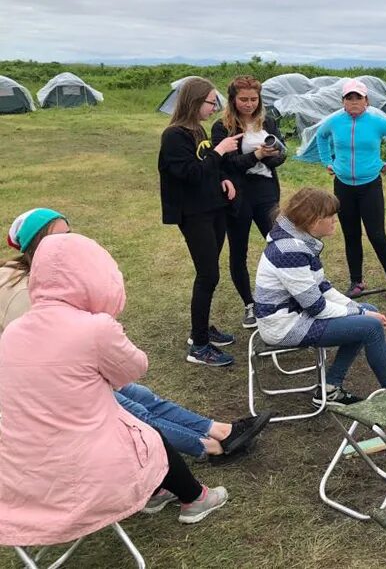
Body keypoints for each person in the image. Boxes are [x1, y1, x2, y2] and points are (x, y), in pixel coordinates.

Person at [0, 233, 229, 547]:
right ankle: (196, 497)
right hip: (83, 476)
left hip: (21, 480)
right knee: (147, 434)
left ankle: (166, 483)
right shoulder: (94, 328)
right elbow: (132, 369)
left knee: (135, 409)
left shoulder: (13, 331)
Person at [2, 208, 272, 461]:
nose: (69, 243)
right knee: (132, 410)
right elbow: (49, 353)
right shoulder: (25, 294)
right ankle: (210, 448)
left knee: (141, 395)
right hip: (51, 389)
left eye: (70, 235)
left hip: (74, 369)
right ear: (36, 247)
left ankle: (220, 430)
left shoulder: (46, 277)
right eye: (58, 238)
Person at [254, 187, 386, 406]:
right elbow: (317, 307)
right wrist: (360, 313)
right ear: (313, 220)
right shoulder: (290, 250)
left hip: (297, 315)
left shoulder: (300, 240)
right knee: (369, 326)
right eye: (331, 216)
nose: (335, 220)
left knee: (368, 312)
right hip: (284, 326)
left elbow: (323, 288)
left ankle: (330, 388)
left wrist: (358, 308)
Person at [158, 76, 241, 367]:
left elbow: (207, 167)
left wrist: (223, 178)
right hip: (194, 214)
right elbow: (190, 173)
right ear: (194, 101)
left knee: (210, 272)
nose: (214, 108)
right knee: (208, 275)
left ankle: (201, 331)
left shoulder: (197, 129)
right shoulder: (174, 136)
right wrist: (220, 151)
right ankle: (200, 346)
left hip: (214, 208)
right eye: (211, 102)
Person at [315, 79, 386, 300]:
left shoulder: (376, 122)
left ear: (366, 100)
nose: (354, 101)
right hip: (343, 185)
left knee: (376, 234)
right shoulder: (335, 121)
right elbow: (320, 136)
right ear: (343, 101)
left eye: (359, 97)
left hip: (370, 185)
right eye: (350, 98)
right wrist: (327, 161)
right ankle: (356, 281)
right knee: (351, 235)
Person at [212, 75, 287, 328]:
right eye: (243, 99)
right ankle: (250, 304)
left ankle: (283, 296)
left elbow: (279, 158)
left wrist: (269, 155)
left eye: (254, 99)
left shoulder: (268, 121)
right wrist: (255, 154)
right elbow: (226, 164)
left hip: (266, 191)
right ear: (232, 99)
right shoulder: (223, 127)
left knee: (280, 242)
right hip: (238, 194)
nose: (249, 104)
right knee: (239, 250)